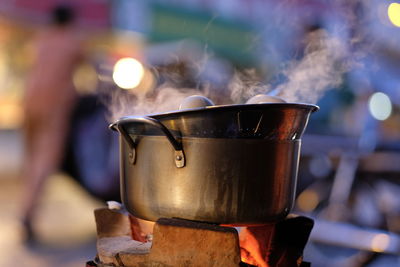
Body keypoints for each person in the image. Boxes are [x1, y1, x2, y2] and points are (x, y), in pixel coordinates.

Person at [21, 4, 84, 240]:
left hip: (29, 101)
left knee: (30, 161)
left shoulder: (41, 39)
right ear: (70, 21)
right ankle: (27, 213)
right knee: (44, 161)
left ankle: (26, 208)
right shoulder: (72, 40)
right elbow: (91, 66)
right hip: (54, 106)